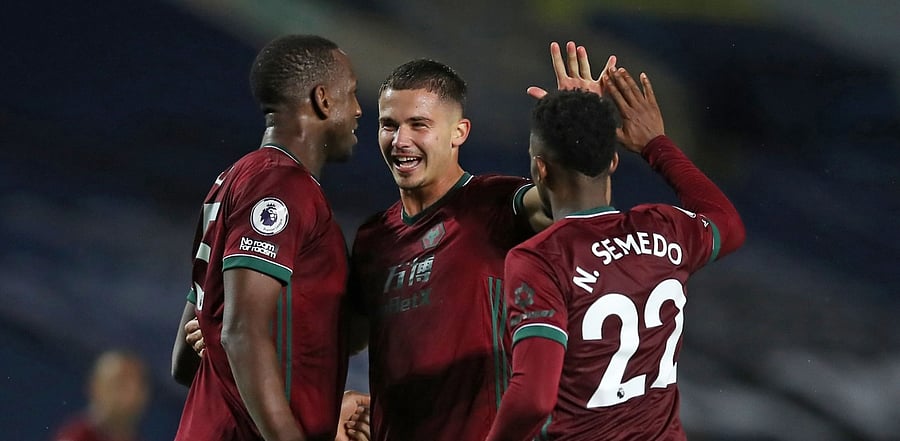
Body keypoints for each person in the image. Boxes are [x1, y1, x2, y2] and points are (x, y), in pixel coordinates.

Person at [343, 42, 618, 441]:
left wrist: (579, 135)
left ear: (459, 132)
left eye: (419, 125)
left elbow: (578, 207)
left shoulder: (500, 203)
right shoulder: (373, 238)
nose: (400, 139)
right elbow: (349, 341)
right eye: (389, 124)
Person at [484, 69, 746, 440]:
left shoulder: (542, 259)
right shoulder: (665, 229)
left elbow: (533, 399)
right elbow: (728, 224)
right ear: (612, 162)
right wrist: (656, 144)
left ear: (540, 169)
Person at [170, 34, 362, 441]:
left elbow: (186, 361)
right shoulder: (280, 186)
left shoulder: (234, 180)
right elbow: (240, 332)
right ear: (324, 100)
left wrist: (323, 406)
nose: (360, 110)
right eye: (353, 94)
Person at [53, 350, 150, 441]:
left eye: (133, 386)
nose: (126, 394)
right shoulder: (76, 437)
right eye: (118, 383)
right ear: (95, 387)